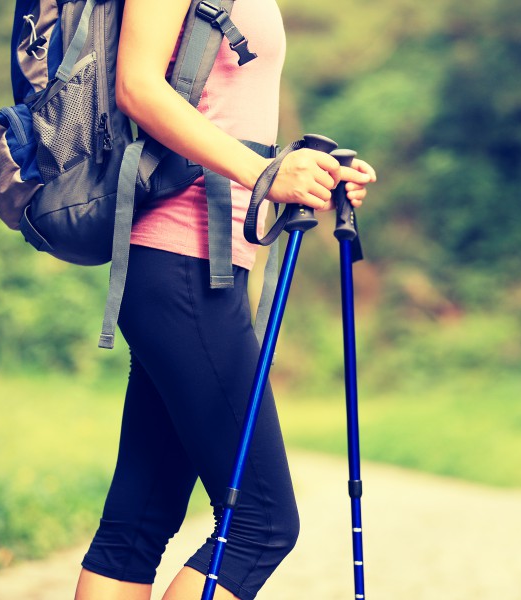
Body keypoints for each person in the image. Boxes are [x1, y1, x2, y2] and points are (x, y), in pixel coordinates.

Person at [73, 1, 376, 599]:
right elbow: (137, 86)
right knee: (260, 525)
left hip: (202, 265)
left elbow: (223, 115)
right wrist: (267, 176)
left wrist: (300, 170)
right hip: (179, 259)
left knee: (136, 526)